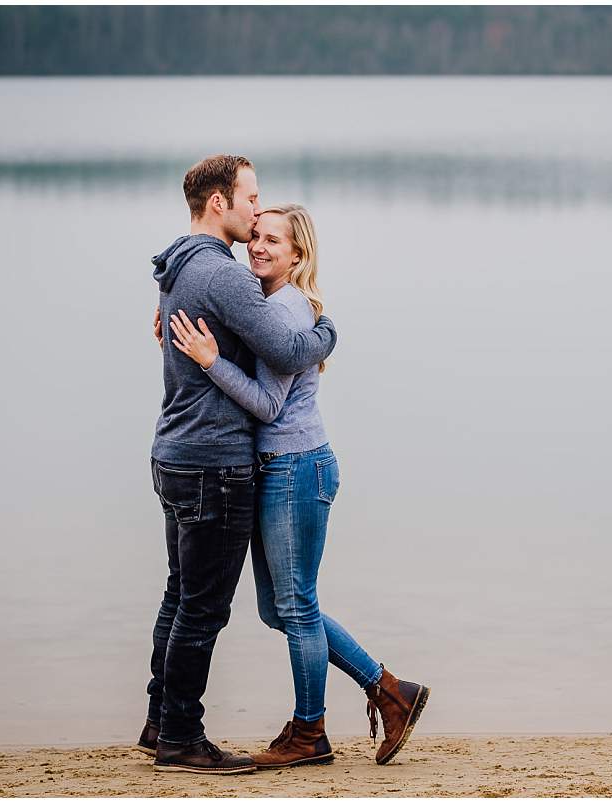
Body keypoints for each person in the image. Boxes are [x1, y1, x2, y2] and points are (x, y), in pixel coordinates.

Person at [166, 204, 429, 769]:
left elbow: (267, 403)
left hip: (296, 466)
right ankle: (390, 691)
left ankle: (311, 732)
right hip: (279, 468)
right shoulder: (267, 304)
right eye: (255, 236)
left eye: (274, 241)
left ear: (298, 254)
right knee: (280, 608)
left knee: (296, 606)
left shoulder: (286, 309)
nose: (258, 247)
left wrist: (211, 360)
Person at [142, 156, 338, 774]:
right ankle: (181, 736)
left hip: (175, 450)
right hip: (214, 459)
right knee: (203, 607)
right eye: (251, 198)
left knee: (180, 596)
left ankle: (161, 721)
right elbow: (285, 347)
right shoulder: (222, 275)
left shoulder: (175, 267)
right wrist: (327, 328)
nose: (257, 211)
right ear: (219, 203)